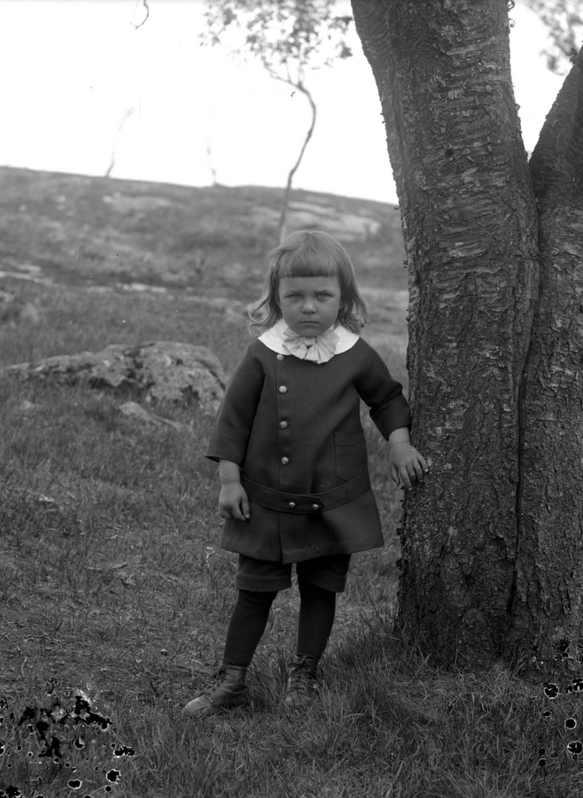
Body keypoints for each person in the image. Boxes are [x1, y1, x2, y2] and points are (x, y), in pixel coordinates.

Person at [184, 230, 429, 716]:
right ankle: (232, 680)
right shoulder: (262, 353)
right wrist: (229, 480)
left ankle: (306, 673)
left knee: (321, 589)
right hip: (266, 499)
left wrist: (399, 442)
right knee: (254, 589)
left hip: (331, 498)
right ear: (277, 297)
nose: (309, 307)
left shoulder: (353, 352)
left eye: (322, 296)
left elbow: (385, 397)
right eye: (295, 296)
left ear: (343, 298)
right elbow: (233, 419)